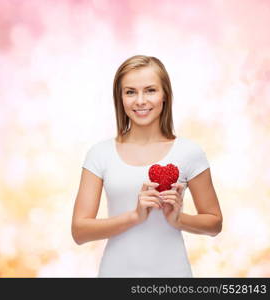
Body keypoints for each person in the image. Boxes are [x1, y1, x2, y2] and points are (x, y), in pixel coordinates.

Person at [71, 55, 223, 277]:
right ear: (120, 98)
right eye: (130, 92)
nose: (140, 101)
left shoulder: (189, 152)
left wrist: (179, 219)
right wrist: (134, 216)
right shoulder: (99, 154)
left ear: (165, 96)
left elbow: (214, 223)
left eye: (150, 90)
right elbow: (79, 231)